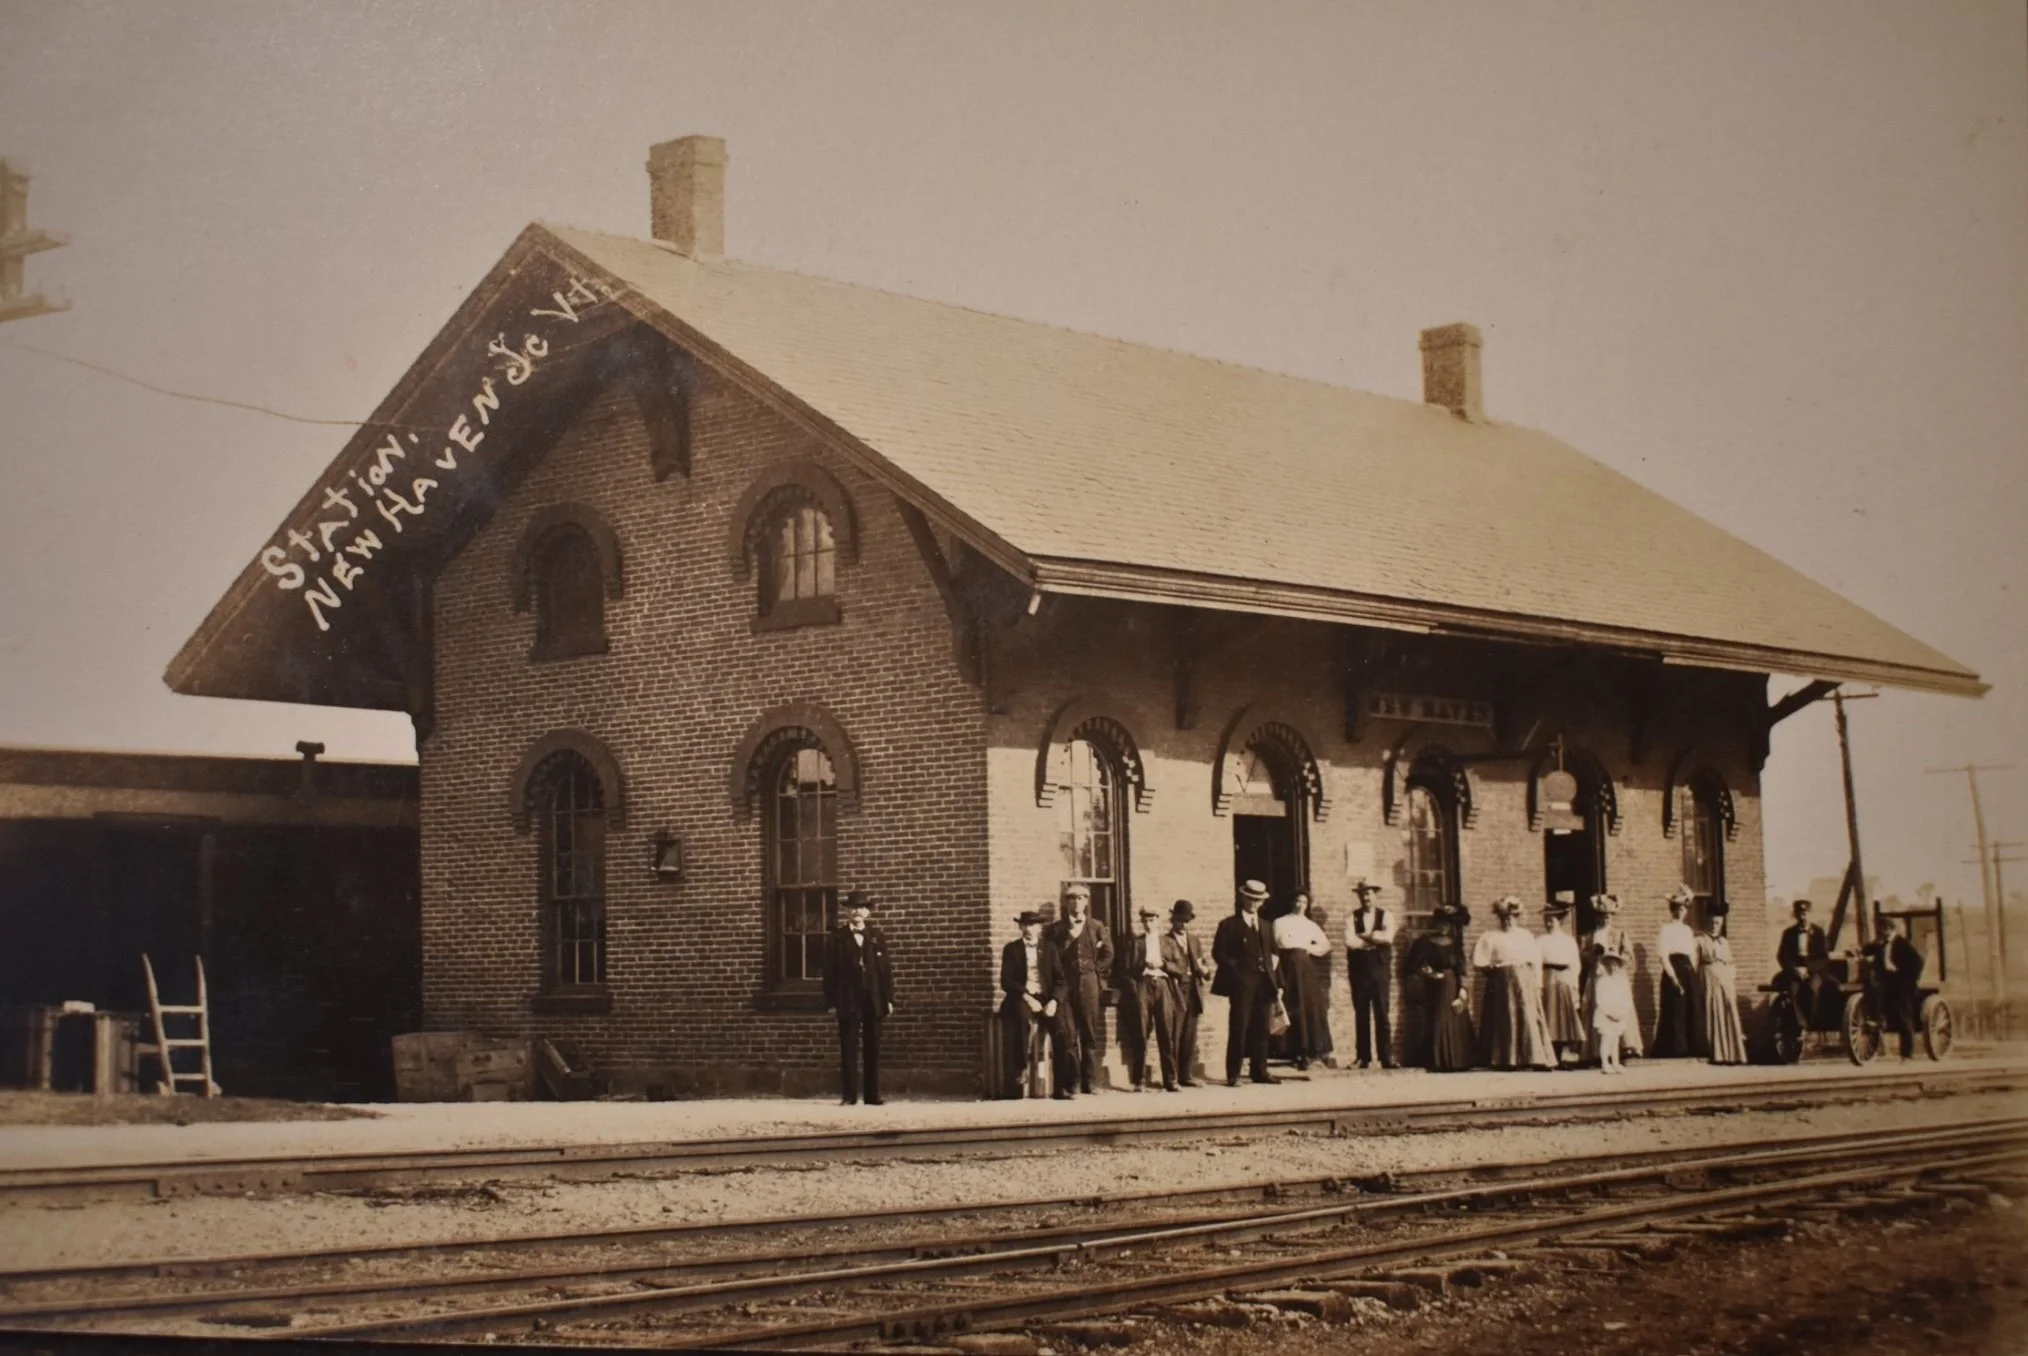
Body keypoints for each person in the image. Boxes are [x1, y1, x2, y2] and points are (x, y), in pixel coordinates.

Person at [822, 891, 894, 1105]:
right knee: (849, 1047)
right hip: (848, 1000)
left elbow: (885, 971)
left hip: (873, 999)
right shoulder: (837, 938)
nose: (857, 912)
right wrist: (832, 1002)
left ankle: (872, 1096)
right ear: (847, 912)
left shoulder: (876, 937)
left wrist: (889, 999)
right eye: (853, 908)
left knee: (873, 1047)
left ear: (868, 912)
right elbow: (829, 973)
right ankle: (849, 1095)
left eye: (862, 908)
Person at [1045, 883, 1114, 1096]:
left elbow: (1109, 953)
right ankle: (1072, 1082)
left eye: (1080, 898)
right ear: (1066, 903)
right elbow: (1049, 958)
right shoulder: (1056, 929)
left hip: (1089, 984)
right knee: (1069, 1034)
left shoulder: (1096, 926)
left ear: (1086, 901)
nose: (1076, 902)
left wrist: (1094, 970)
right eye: (1072, 898)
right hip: (1065, 986)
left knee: (1089, 1033)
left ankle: (1090, 1081)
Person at [1472, 896, 1554, 1070]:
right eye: (1503, 917)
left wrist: (1537, 983)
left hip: (1524, 980)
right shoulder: (1490, 936)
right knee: (1505, 1017)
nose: (1507, 921)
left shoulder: (1525, 936)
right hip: (1501, 981)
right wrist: (1490, 968)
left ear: (1516, 917)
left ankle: (1532, 1057)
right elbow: (1480, 960)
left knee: (1527, 1015)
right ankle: (1505, 1059)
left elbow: (1536, 961)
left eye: (1510, 917)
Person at [1211, 878, 1279, 1086]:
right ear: (1242, 898)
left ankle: (1260, 1071)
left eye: (1257, 900)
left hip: (1263, 982)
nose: (1253, 903)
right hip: (1241, 984)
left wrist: (1277, 980)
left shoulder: (1267, 926)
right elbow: (1218, 953)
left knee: (1261, 1027)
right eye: (1250, 898)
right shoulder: (1229, 925)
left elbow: (1274, 953)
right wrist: (1237, 973)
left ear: (1262, 902)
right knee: (1239, 1026)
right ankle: (1233, 1074)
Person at [998, 909, 1061, 1098]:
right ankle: (1020, 1071)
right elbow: (1006, 981)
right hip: (1022, 997)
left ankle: (1063, 1084)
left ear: (1039, 927)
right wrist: (1027, 997)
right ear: (1020, 927)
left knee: (1063, 1029)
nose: (1028, 929)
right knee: (1022, 1022)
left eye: (1033, 925)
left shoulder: (1050, 948)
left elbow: (1060, 980)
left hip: (1045, 997)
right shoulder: (1012, 949)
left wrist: (1054, 1001)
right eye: (1025, 925)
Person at [1405, 899, 1475, 1071]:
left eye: (1447, 924)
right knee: (1440, 1018)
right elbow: (1414, 966)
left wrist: (1463, 990)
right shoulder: (1425, 942)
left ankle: (1459, 1061)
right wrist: (1431, 974)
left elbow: (1462, 968)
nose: (1443, 927)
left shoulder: (1455, 944)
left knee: (1456, 1015)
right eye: (1441, 923)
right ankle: (1440, 1060)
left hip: (1454, 984)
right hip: (1437, 986)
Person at [1121, 902, 1181, 1090]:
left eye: (1152, 919)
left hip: (1163, 987)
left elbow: (1181, 968)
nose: (1149, 923)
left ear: (1158, 921)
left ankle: (1171, 1080)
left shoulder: (1169, 942)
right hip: (1143, 986)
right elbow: (1126, 970)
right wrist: (1143, 966)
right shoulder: (1136, 943)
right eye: (1145, 920)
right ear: (1142, 921)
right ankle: (1139, 1080)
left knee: (1166, 1033)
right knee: (1140, 1033)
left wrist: (1163, 965)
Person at [1272, 891, 1334, 1071]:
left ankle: (1308, 1051)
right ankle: (1289, 1051)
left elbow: (1325, 945)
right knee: (1289, 1005)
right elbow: (1274, 947)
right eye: (1297, 901)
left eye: (1304, 902)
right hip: (1286, 966)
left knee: (1307, 1005)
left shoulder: (1310, 925)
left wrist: (1308, 948)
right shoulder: (1280, 922)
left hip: (1305, 968)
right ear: (1292, 902)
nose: (1300, 905)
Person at [1343, 879, 1397, 1068]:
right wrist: (1375, 939)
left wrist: (1367, 937)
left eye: (1369, 893)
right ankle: (1363, 1057)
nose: (1365, 897)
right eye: (1362, 894)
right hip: (1359, 970)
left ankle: (1386, 1057)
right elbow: (1350, 941)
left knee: (1382, 1012)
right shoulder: (1351, 917)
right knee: (1361, 1013)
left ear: (1375, 895)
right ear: (1358, 896)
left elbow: (1388, 937)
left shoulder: (1386, 915)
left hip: (1380, 969)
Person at [1587, 894, 1639, 1073]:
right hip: (1598, 975)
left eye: (1608, 916)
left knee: (1617, 1015)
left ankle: (1620, 1054)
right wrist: (1593, 954)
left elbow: (1628, 955)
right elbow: (1585, 955)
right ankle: (1597, 1055)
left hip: (1615, 975)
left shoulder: (1619, 934)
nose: (1605, 919)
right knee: (1599, 1009)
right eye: (1602, 916)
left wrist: (1617, 959)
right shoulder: (1592, 935)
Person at [1865, 915, 1926, 1060]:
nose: (1882, 933)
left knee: (1903, 1016)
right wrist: (1858, 951)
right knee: (1873, 989)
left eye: (1884, 930)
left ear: (1890, 929)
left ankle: (1906, 1054)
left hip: (1901, 983)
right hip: (1887, 981)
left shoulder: (1902, 944)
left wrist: (1905, 977)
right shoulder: (1881, 944)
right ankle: (1878, 1019)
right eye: (1880, 930)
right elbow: (1868, 949)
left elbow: (1917, 963)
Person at [1162, 900, 1210, 1086]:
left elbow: (1202, 961)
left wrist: (1204, 970)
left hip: (1193, 990)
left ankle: (1186, 1075)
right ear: (1172, 920)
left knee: (1190, 1035)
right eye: (1179, 920)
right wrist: (1181, 971)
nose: (1182, 924)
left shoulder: (1194, 940)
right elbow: (1164, 963)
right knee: (1175, 1033)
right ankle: (1172, 1077)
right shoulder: (1165, 941)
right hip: (1176, 990)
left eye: (1185, 921)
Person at [1695, 912, 1748, 1065]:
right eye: (1711, 922)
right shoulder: (1699, 940)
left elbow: (1730, 962)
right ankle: (1715, 1054)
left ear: (1722, 924)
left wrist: (1731, 977)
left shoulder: (1724, 942)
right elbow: (1695, 962)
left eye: (1717, 923)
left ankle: (1731, 1054)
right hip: (1708, 977)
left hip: (1725, 979)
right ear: (1706, 922)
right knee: (1713, 1010)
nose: (1714, 925)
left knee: (1728, 1010)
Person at [1652, 886, 1699, 1058]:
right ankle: (1675, 1049)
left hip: (1688, 969)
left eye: (1683, 909)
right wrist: (1674, 978)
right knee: (1676, 1008)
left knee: (1691, 1006)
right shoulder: (1666, 929)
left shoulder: (1687, 930)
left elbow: (1692, 954)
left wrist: (1692, 973)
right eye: (1677, 909)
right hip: (1674, 968)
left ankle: (1693, 1047)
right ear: (1672, 910)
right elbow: (1663, 956)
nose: (1680, 912)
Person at [1537, 901, 1584, 1066]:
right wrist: (1539, 985)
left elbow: (1575, 965)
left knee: (1564, 1015)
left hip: (1564, 978)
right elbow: (1537, 963)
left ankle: (1566, 1053)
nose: (1549, 924)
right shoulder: (1541, 941)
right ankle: (1551, 1054)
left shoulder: (1568, 941)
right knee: (1550, 1013)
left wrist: (1574, 985)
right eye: (1546, 920)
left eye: (1552, 920)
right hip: (1548, 977)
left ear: (1560, 921)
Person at [1773, 898, 1832, 1029]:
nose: (1803, 917)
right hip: (1795, 972)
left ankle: (1811, 1023)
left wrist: (1809, 969)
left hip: (1814, 971)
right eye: (1800, 914)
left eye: (1805, 914)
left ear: (1810, 914)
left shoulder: (1818, 932)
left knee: (1812, 989)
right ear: (1795, 915)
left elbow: (1823, 957)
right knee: (1792, 991)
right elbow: (1782, 955)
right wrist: (1795, 969)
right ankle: (1800, 1025)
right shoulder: (1788, 933)